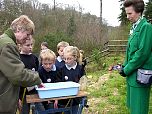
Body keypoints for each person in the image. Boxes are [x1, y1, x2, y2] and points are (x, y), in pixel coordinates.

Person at [0, 15, 42, 114]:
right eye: (27, 34)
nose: (28, 38)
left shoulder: (4, 41)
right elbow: (18, 75)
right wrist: (37, 78)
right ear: (19, 29)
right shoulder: (8, 45)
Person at [119, 0, 152, 114]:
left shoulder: (146, 27)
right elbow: (130, 51)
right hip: (132, 76)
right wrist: (123, 66)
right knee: (133, 108)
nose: (127, 17)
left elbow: (142, 53)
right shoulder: (134, 28)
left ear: (139, 12)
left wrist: (127, 69)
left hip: (141, 77)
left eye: (130, 13)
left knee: (139, 109)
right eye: (126, 13)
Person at [58, 46, 85, 114]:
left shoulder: (80, 69)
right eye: (65, 59)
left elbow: (83, 82)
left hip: (76, 100)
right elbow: (58, 83)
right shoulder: (61, 69)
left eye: (69, 59)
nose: (66, 61)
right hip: (63, 101)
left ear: (75, 58)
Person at [18, 36, 39, 114]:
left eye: (31, 45)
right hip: (22, 93)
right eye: (27, 45)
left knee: (36, 111)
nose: (30, 47)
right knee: (24, 111)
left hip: (34, 91)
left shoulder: (34, 58)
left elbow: (37, 74)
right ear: (20, 46)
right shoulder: (18, 59)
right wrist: (17, 98)